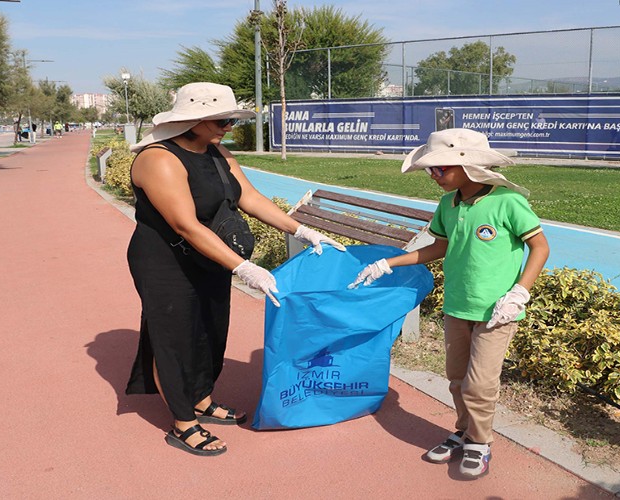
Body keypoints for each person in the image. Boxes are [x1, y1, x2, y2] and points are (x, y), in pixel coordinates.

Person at [125, 82, 344, 457]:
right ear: (193, 120)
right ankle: (182, 422)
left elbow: (250, 197)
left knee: (211, 330)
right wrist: (245, 268)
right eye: (221, 120)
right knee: (175, 337)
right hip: (166, 261)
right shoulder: (158, 159)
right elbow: (185, 225)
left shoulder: (217, 152)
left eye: (231, 119)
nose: (228, 126)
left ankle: (202, 399)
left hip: (211, 255)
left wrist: (302, 230)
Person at [350, 128, 550, 479]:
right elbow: (439, 247)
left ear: (466, 164)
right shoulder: (448, 204)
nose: (433, 176)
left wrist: (520, 291)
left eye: (439, 169)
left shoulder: (506, 201)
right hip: (458, 306)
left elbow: (540, 247)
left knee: (480, 383)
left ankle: (480, 443)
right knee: (457, 378)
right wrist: (390, 262)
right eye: (430, 170)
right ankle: (465, 431)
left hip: (497, 311)